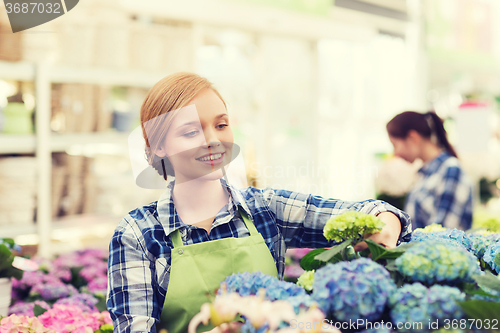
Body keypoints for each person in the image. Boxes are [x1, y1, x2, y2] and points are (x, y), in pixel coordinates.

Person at [107, 72, 411, 333]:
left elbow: (377, 213)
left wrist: (379, 236)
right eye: (190, 131)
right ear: (159, 146)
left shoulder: (267, 209)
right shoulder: (139, 233)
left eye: (221, 125)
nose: (213, 139)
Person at [386, 111, 473, 230]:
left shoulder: (451, 170)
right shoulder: (425, 173)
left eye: (395, 145)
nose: (396, 153)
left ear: (412, 138)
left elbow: (442, 232)